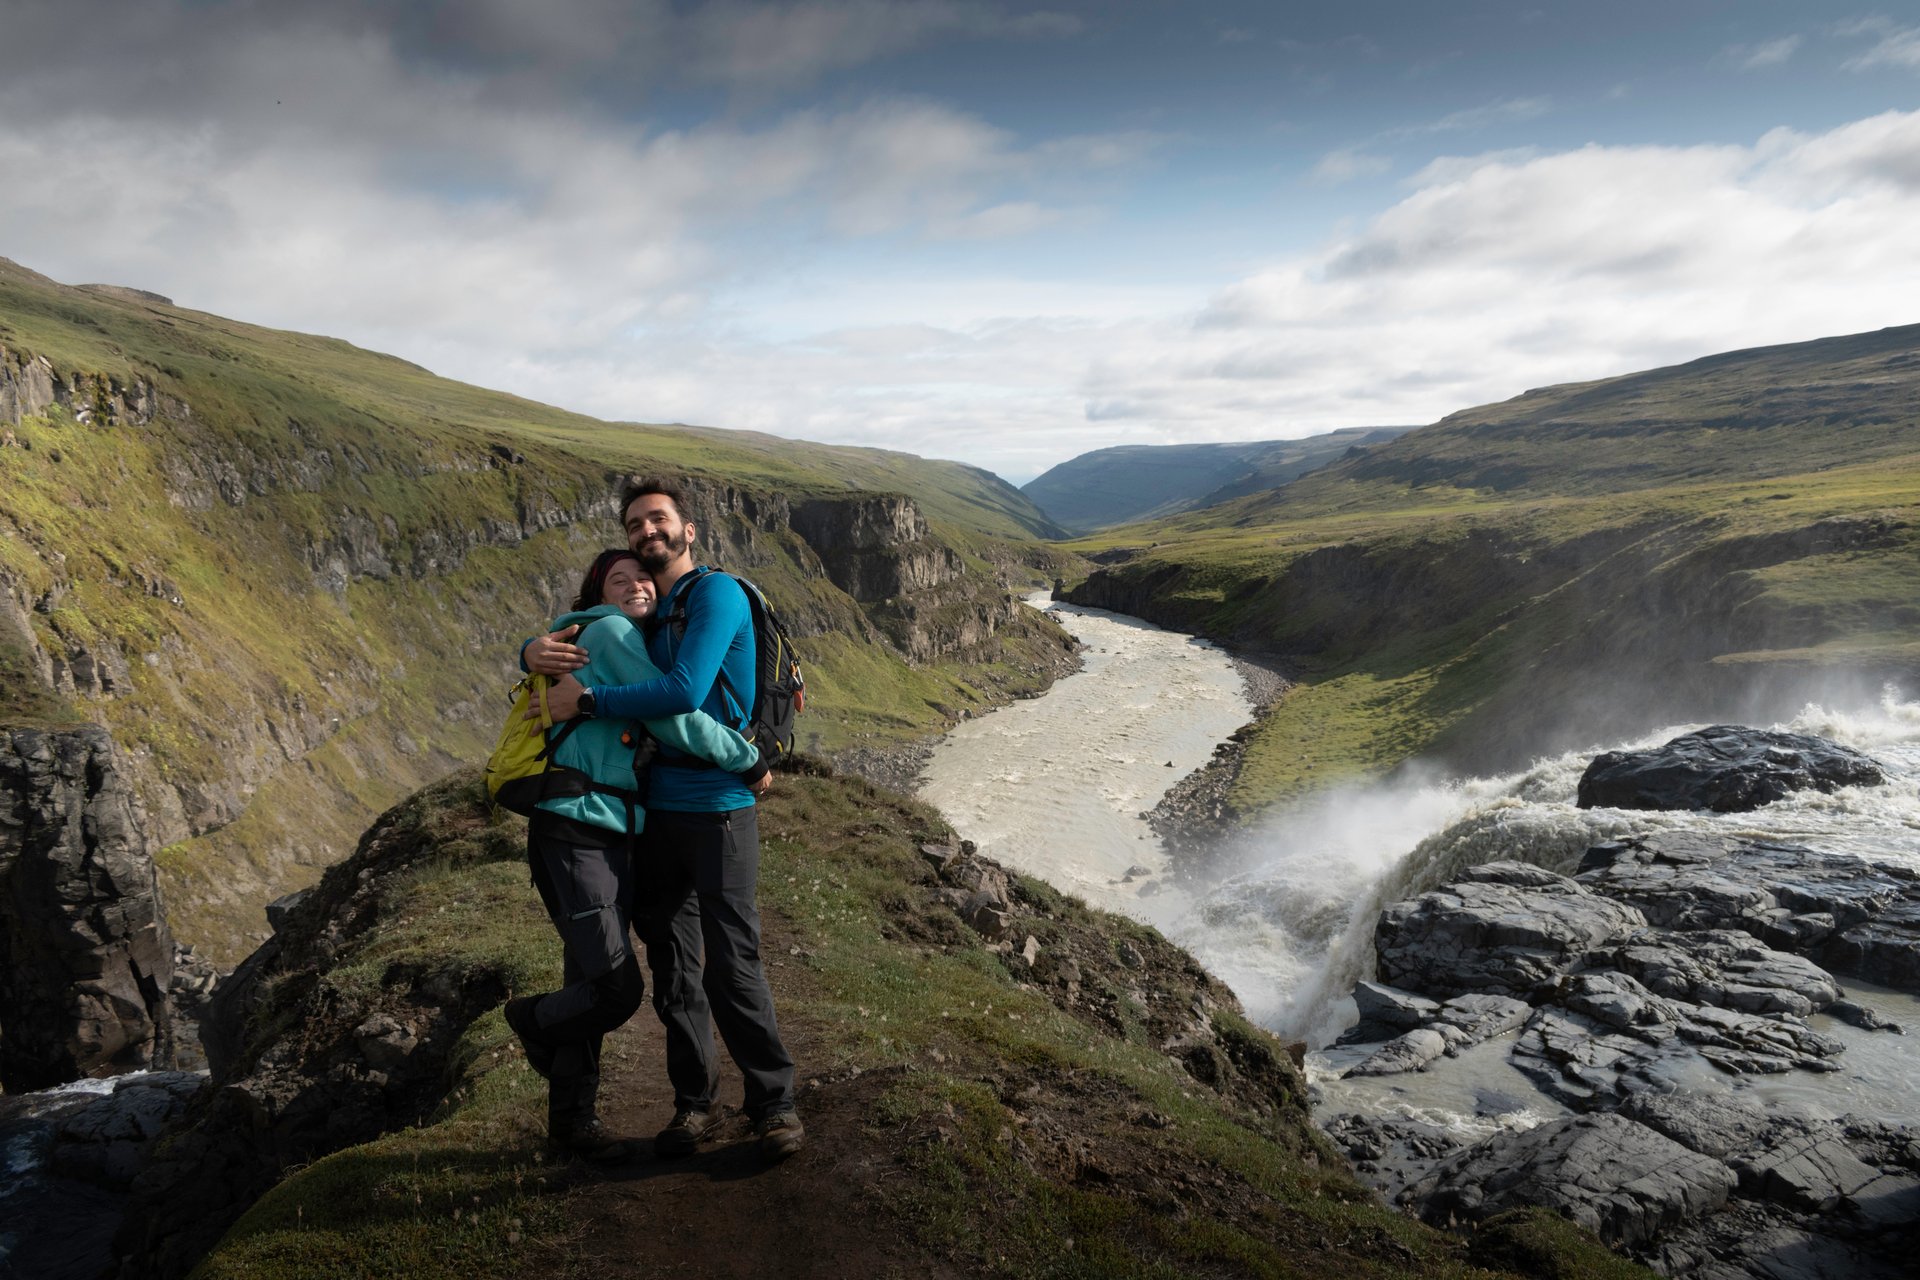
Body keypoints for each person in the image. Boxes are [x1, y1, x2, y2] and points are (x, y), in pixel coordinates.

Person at [524, 478, 802, 1161]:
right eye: (635, 525)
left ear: (689, 529)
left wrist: (587, 704)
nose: (647, 532)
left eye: (658, 520)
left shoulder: (715, 594)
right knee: (676, 965)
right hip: (656, 813)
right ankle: (694, 1106)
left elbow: (681, 692)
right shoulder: (653, 607)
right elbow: (591, 632)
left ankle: (774, 1107)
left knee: (731, 962)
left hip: (719, 810)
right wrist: (529, 653)